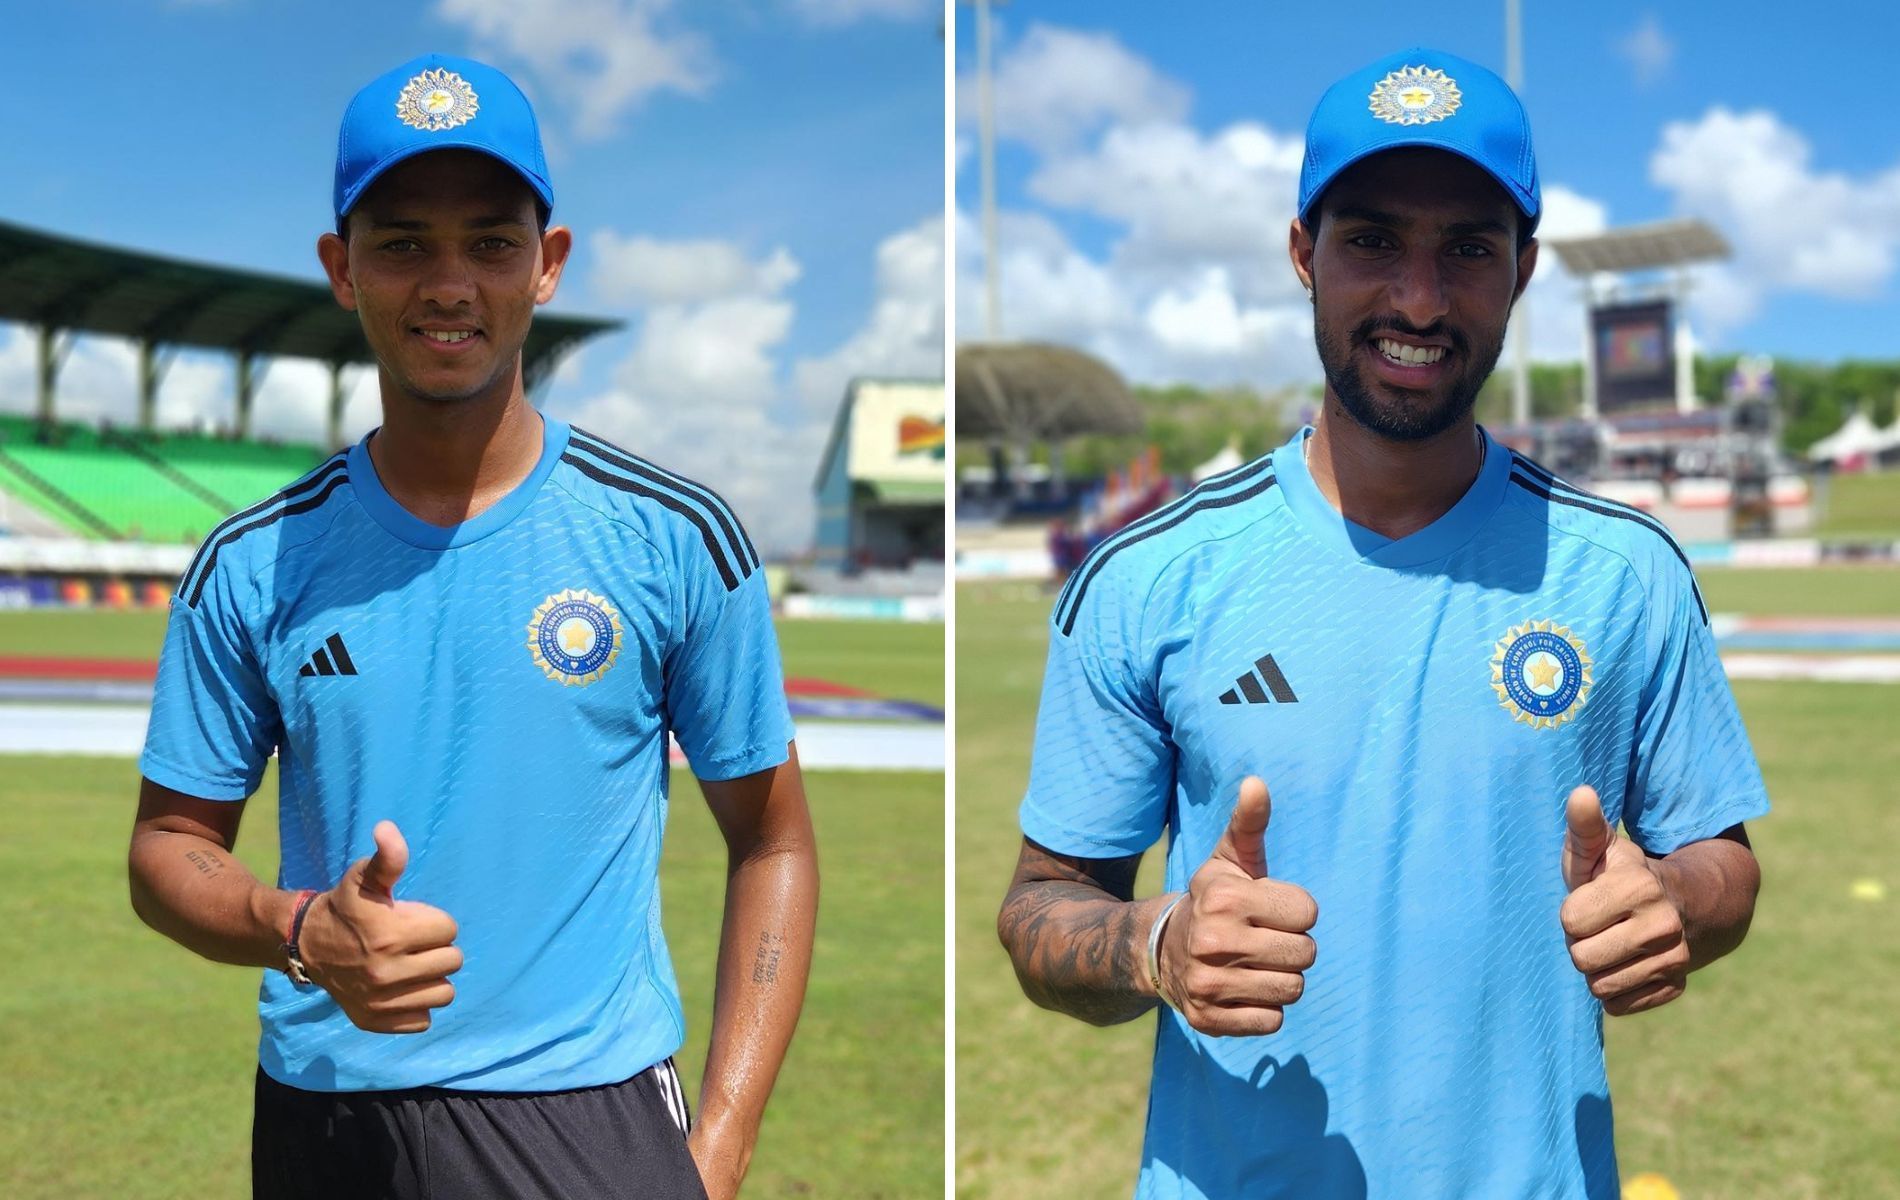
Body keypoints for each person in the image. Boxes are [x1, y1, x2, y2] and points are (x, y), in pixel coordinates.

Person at [997, 47, 1765, 1200]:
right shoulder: (1150, 576)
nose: (1417, 299)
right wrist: (1157, 944)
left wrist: (1675, 901)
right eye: (1371, 242)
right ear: (1304, 252)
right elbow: (1042, 906)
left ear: (1523, 271)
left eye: (1467, 248)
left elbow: (1725, 863)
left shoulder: (1625, 575)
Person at [128, 54, 817, 1200]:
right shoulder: (251, 563)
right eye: (401, 243)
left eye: (491, 242)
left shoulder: (674, 535)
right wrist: (296, 925)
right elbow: (164, 852)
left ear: (547, 265)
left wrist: (725, 1138)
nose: (449, 282)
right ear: (340, 269)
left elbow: (775, 839)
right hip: (326, 1115)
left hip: (591, 1117)